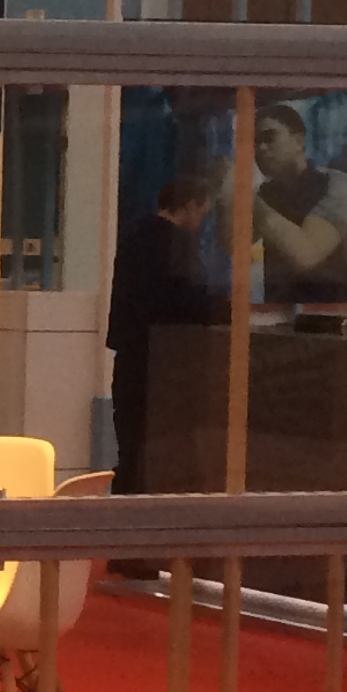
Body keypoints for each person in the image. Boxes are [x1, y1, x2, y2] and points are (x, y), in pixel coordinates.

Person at [107, 171, 223, 493]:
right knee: (163, 451)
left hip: (129, 356)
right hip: (164, 364)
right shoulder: (177, 245)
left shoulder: (133, 235)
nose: (200, 223)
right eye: (202, 214)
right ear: (190, 205)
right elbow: (189, 303)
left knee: (131, 445)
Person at [253, 101, 347, 307]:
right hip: (278, 314)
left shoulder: (338, 186)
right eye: (255, 143)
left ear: (298, 141)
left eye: (269, 138)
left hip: (334, 315)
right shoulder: (266, 194)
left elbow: (307, 254)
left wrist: (244, 196)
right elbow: (231, 241)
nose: (261, 149)